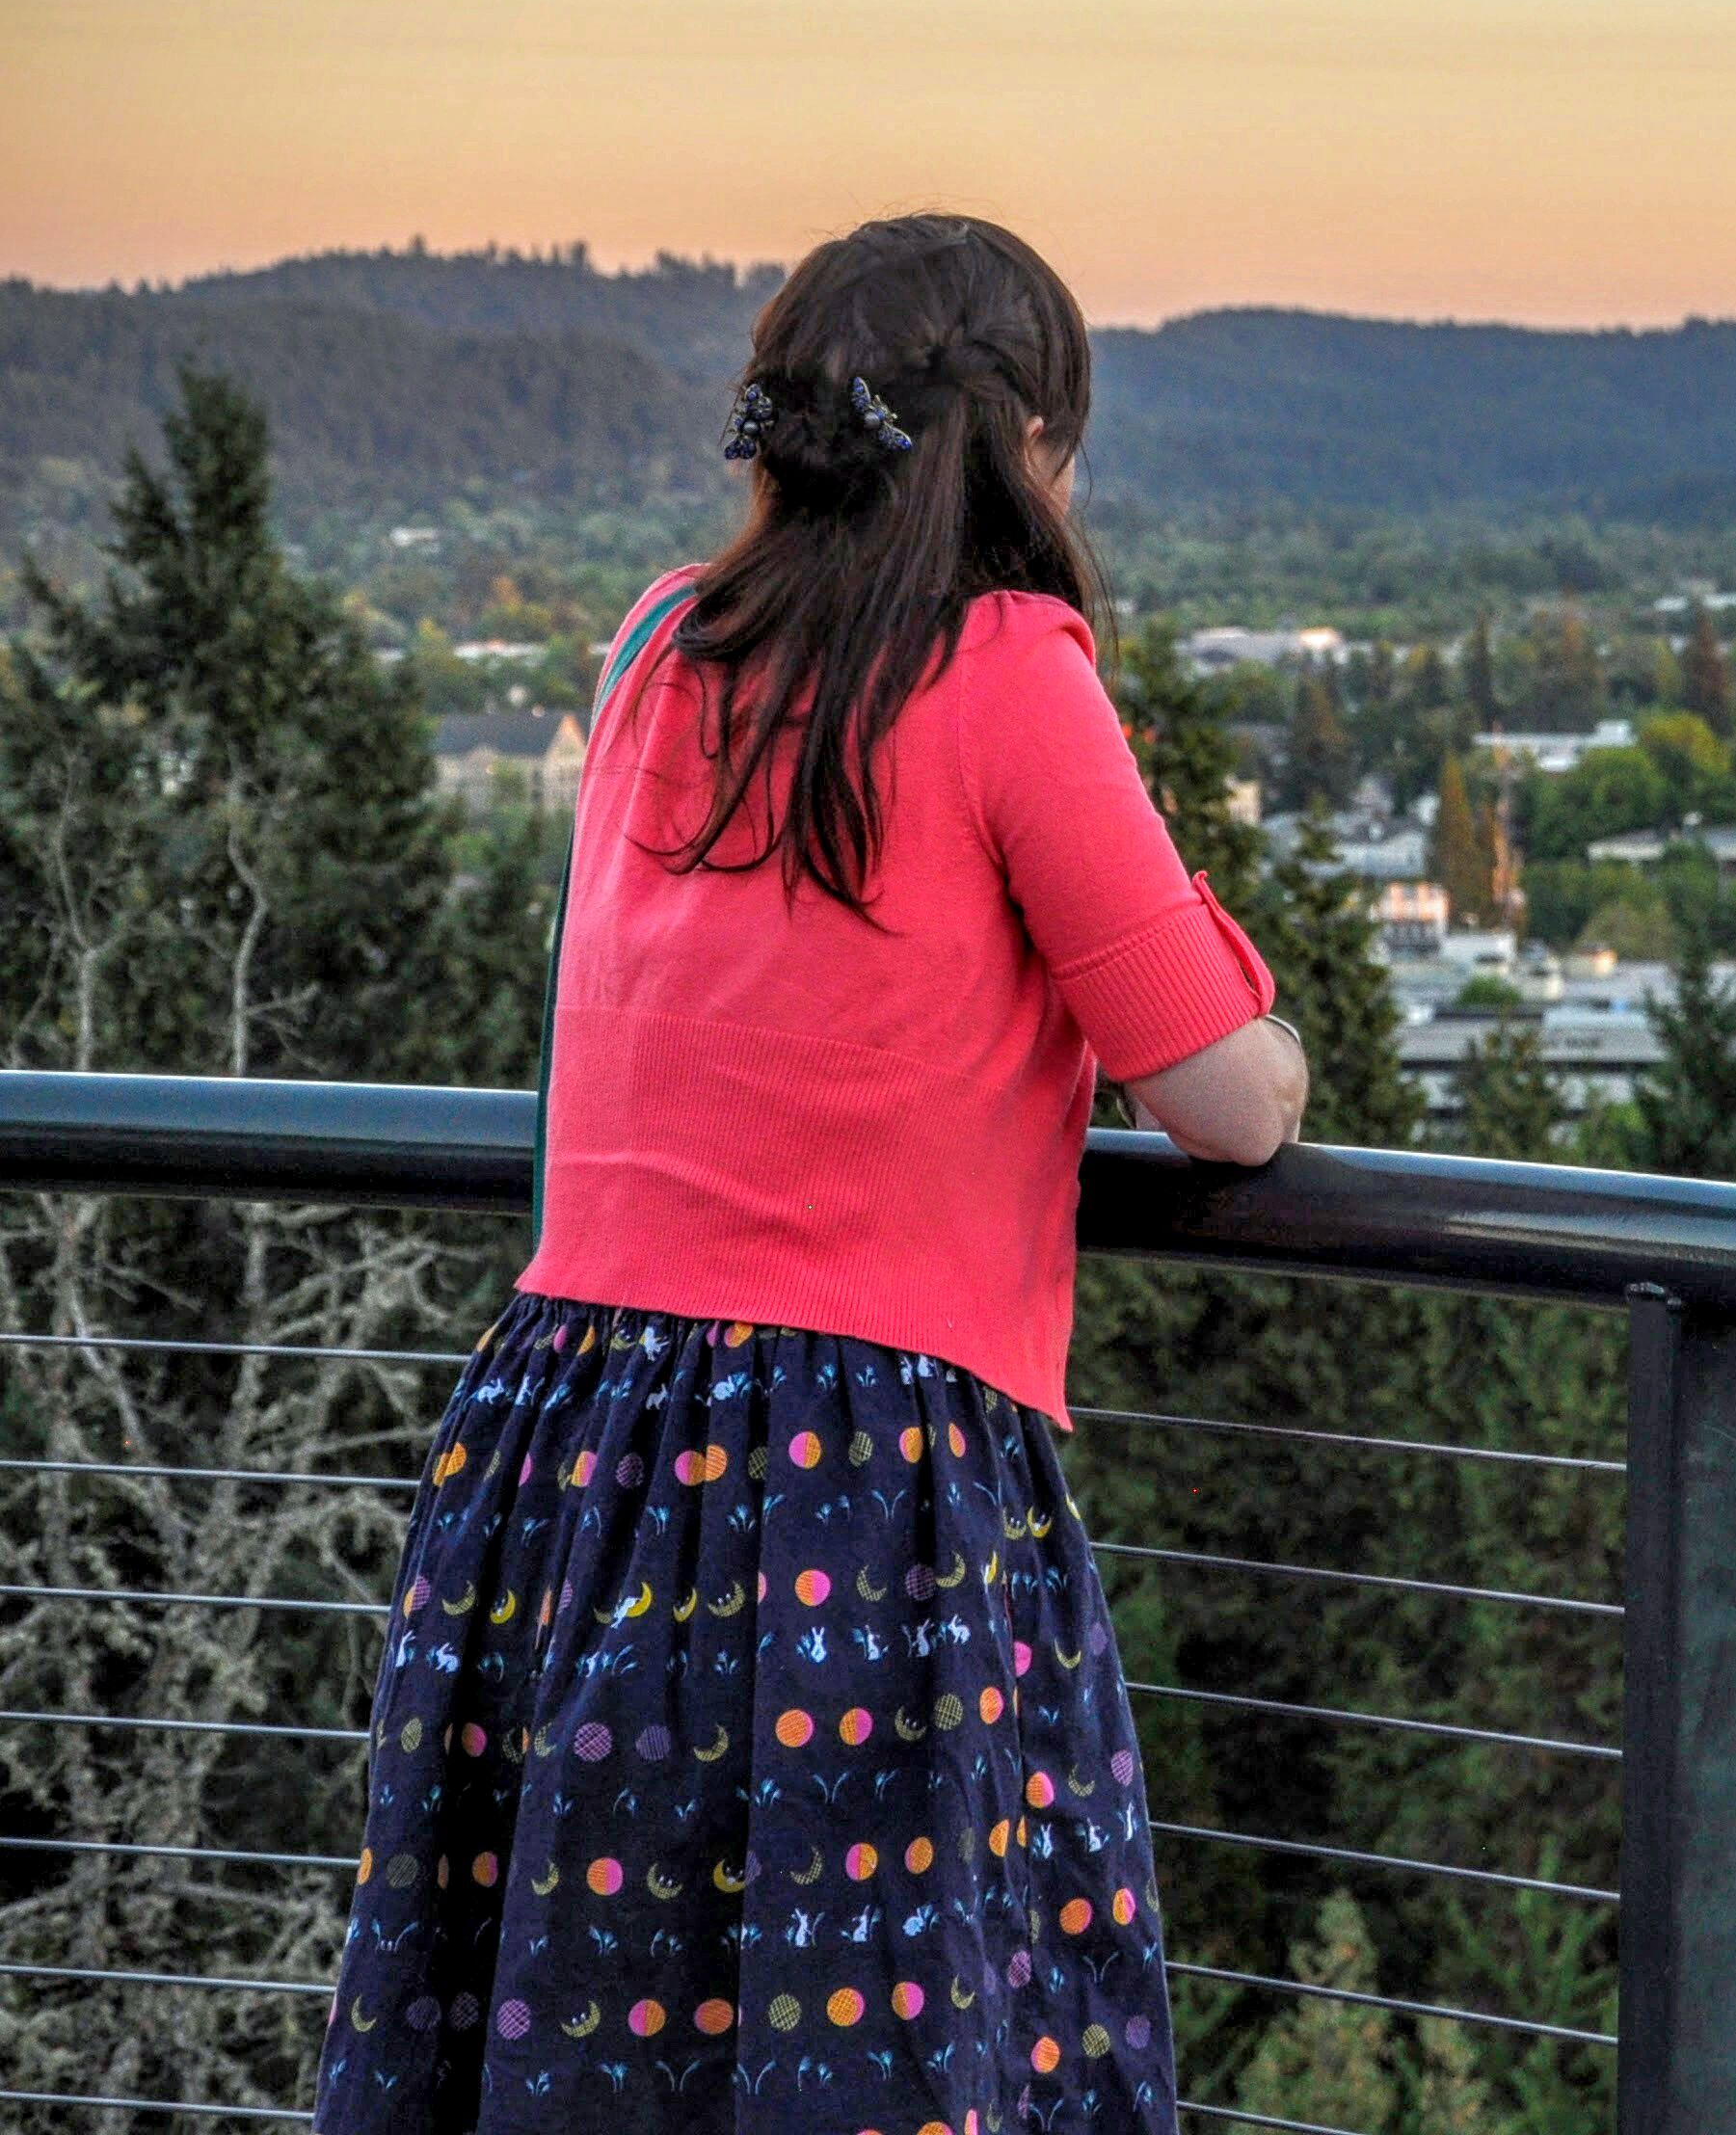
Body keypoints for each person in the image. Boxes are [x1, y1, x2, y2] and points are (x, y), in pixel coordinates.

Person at [316, 216, 1302, 2133]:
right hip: (852, 1484)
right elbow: (1223, 1097)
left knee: (585, 2040)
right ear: (1029, 452)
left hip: (561, 1454)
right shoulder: (1008, 666)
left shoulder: (657, 643)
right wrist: (1259, 1014)